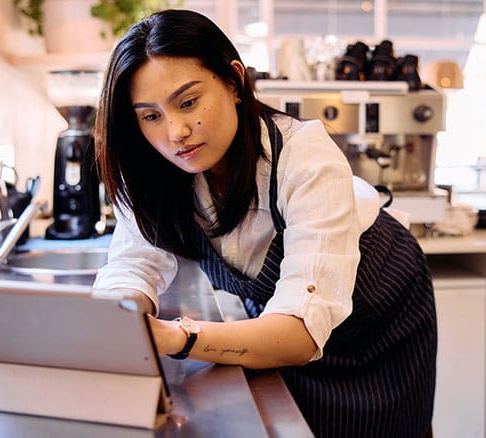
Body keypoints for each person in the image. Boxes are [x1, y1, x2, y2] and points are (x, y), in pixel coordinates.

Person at [92, 9, 437, 438]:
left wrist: (174, 337)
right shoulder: (157, 169)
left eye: (188, 102)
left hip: (375, 326)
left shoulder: (303, 155)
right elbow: (132, 264)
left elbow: (300, 334)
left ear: (234, 82)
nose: (176, 131)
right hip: (281, 329)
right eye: (150, 116)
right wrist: (119, 315)